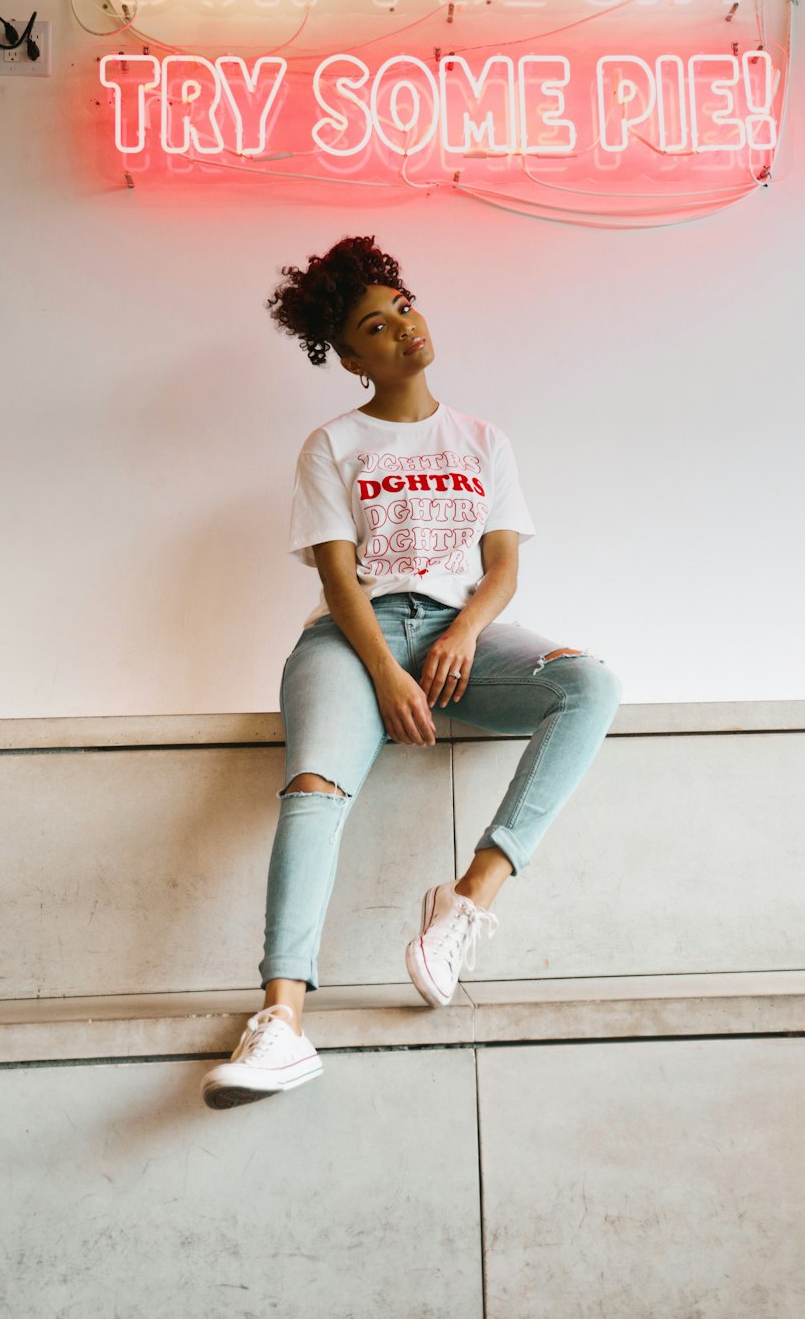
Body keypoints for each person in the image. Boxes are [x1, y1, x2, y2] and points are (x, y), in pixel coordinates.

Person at [201, 235, 623, 1110]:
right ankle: (282, 1021)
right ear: (351, 357)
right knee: (313, 786)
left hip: (451, 633)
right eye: (374, 326)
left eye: (402, 305)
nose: (402, 327)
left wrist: (463, 633)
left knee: (590, 684)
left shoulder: (481, 440)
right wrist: (387, 677)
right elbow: (338, 581)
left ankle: (468, 900)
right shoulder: (333, 444)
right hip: (350, 642)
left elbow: (502, 568)